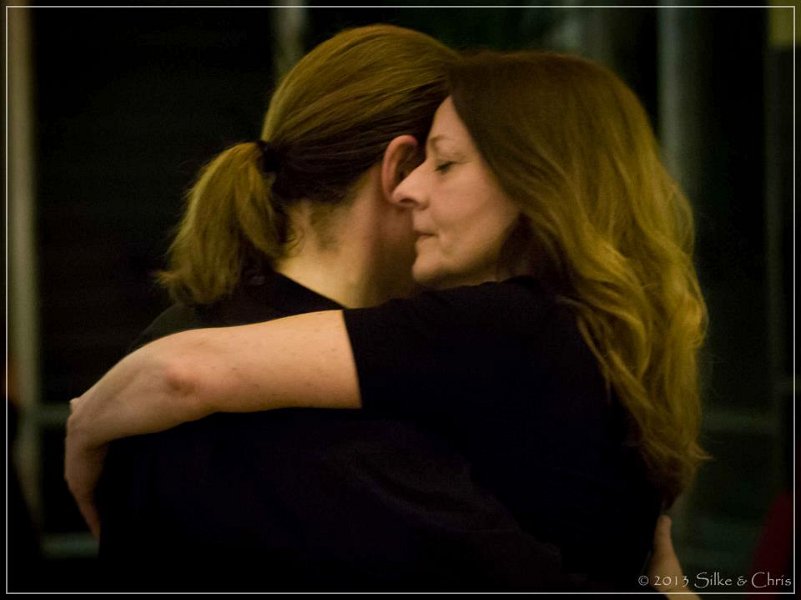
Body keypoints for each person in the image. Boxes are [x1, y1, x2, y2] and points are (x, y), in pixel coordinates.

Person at [67, 47, 704, 594]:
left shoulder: (185, 330)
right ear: (397, 167)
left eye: (446, 165)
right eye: (431, 161)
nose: (415, 190)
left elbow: (183, 372)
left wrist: (85, 430)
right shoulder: (330, 412)